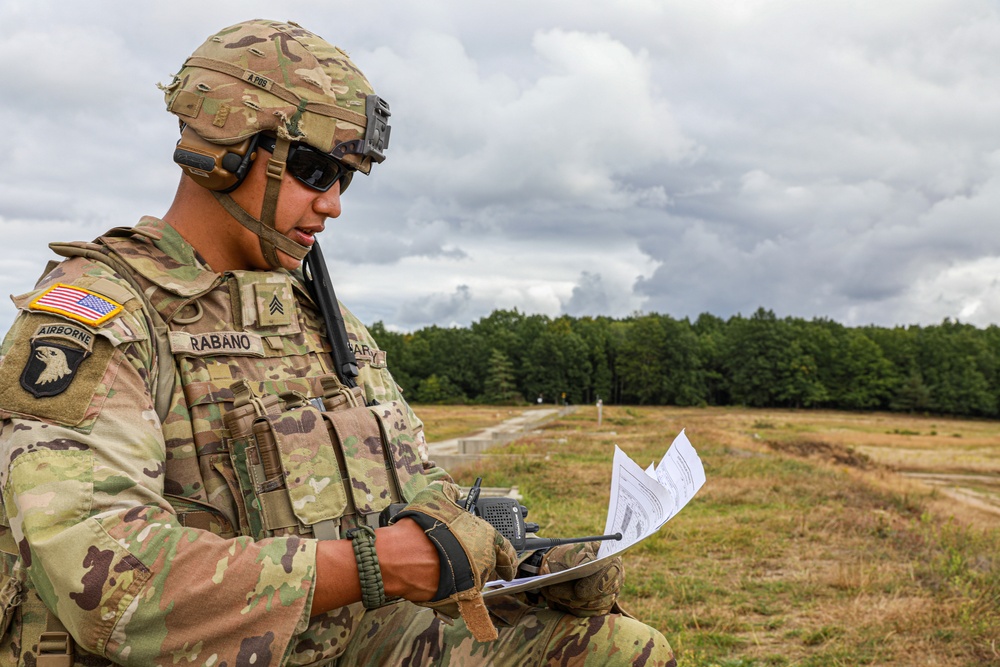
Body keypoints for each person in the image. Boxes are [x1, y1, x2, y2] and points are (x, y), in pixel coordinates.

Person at [0, 19, 675, 666]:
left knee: (612, 648)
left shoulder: (318, 316)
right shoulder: (100, 317)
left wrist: (521, 563)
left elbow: (418, 485)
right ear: (227, 148)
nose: (334, 204)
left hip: (338, 642)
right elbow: (106, 582)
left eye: (345, 179)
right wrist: (373, 565)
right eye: (315, 171)